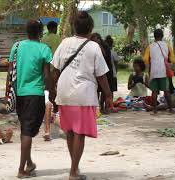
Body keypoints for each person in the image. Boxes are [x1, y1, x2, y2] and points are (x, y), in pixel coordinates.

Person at [52, 11, 112, 180]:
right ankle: (73, 171)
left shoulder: (64, 43)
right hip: (83, 94)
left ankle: (75, 168)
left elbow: (55, 70)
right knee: (79, 133)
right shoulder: (94, 47)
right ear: (91, 28)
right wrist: (108, 95)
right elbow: (101, 75)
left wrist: (53, 92)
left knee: (70, 131)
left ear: (74, 27)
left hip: (64, 92)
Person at [8, 20, 54, 178]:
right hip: (35, 94)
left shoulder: (17, 46)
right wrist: (52, 91)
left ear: (26, 31)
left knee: (24, 128)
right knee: (28, 131)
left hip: (19, 93)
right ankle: (21, 170)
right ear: (41, 32)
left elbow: (10, 72)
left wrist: (9, 92)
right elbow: (47, 74)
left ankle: (29, 163)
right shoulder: (44, 49)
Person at [143, 29, 175, 114]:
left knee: (154, 91)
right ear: (162, 36)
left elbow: (146, 60)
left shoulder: (150, 46)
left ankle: (154, 110)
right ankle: (171, 109)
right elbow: (173, 59)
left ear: (154, 36)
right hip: (163, 71)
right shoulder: (167, 45)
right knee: (166, 91)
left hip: (154, 71)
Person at [41, 21, 61, 141]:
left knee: (48, 91)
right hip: (56, 67)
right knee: (55, 90)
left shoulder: (43, 39)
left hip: (45, 68)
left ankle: (51, 111)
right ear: (54, 28)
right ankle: (56, 110)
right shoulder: (58, 38)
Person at [90, 33, 115, 113]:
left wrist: (99, 46)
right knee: (95, 89)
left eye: (97, 39)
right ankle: (97, 107)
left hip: (106, 71)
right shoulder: (90, 47)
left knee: (104, 89)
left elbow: (106, 57)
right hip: (94, 71)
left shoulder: (105, 47)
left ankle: (102, 106)